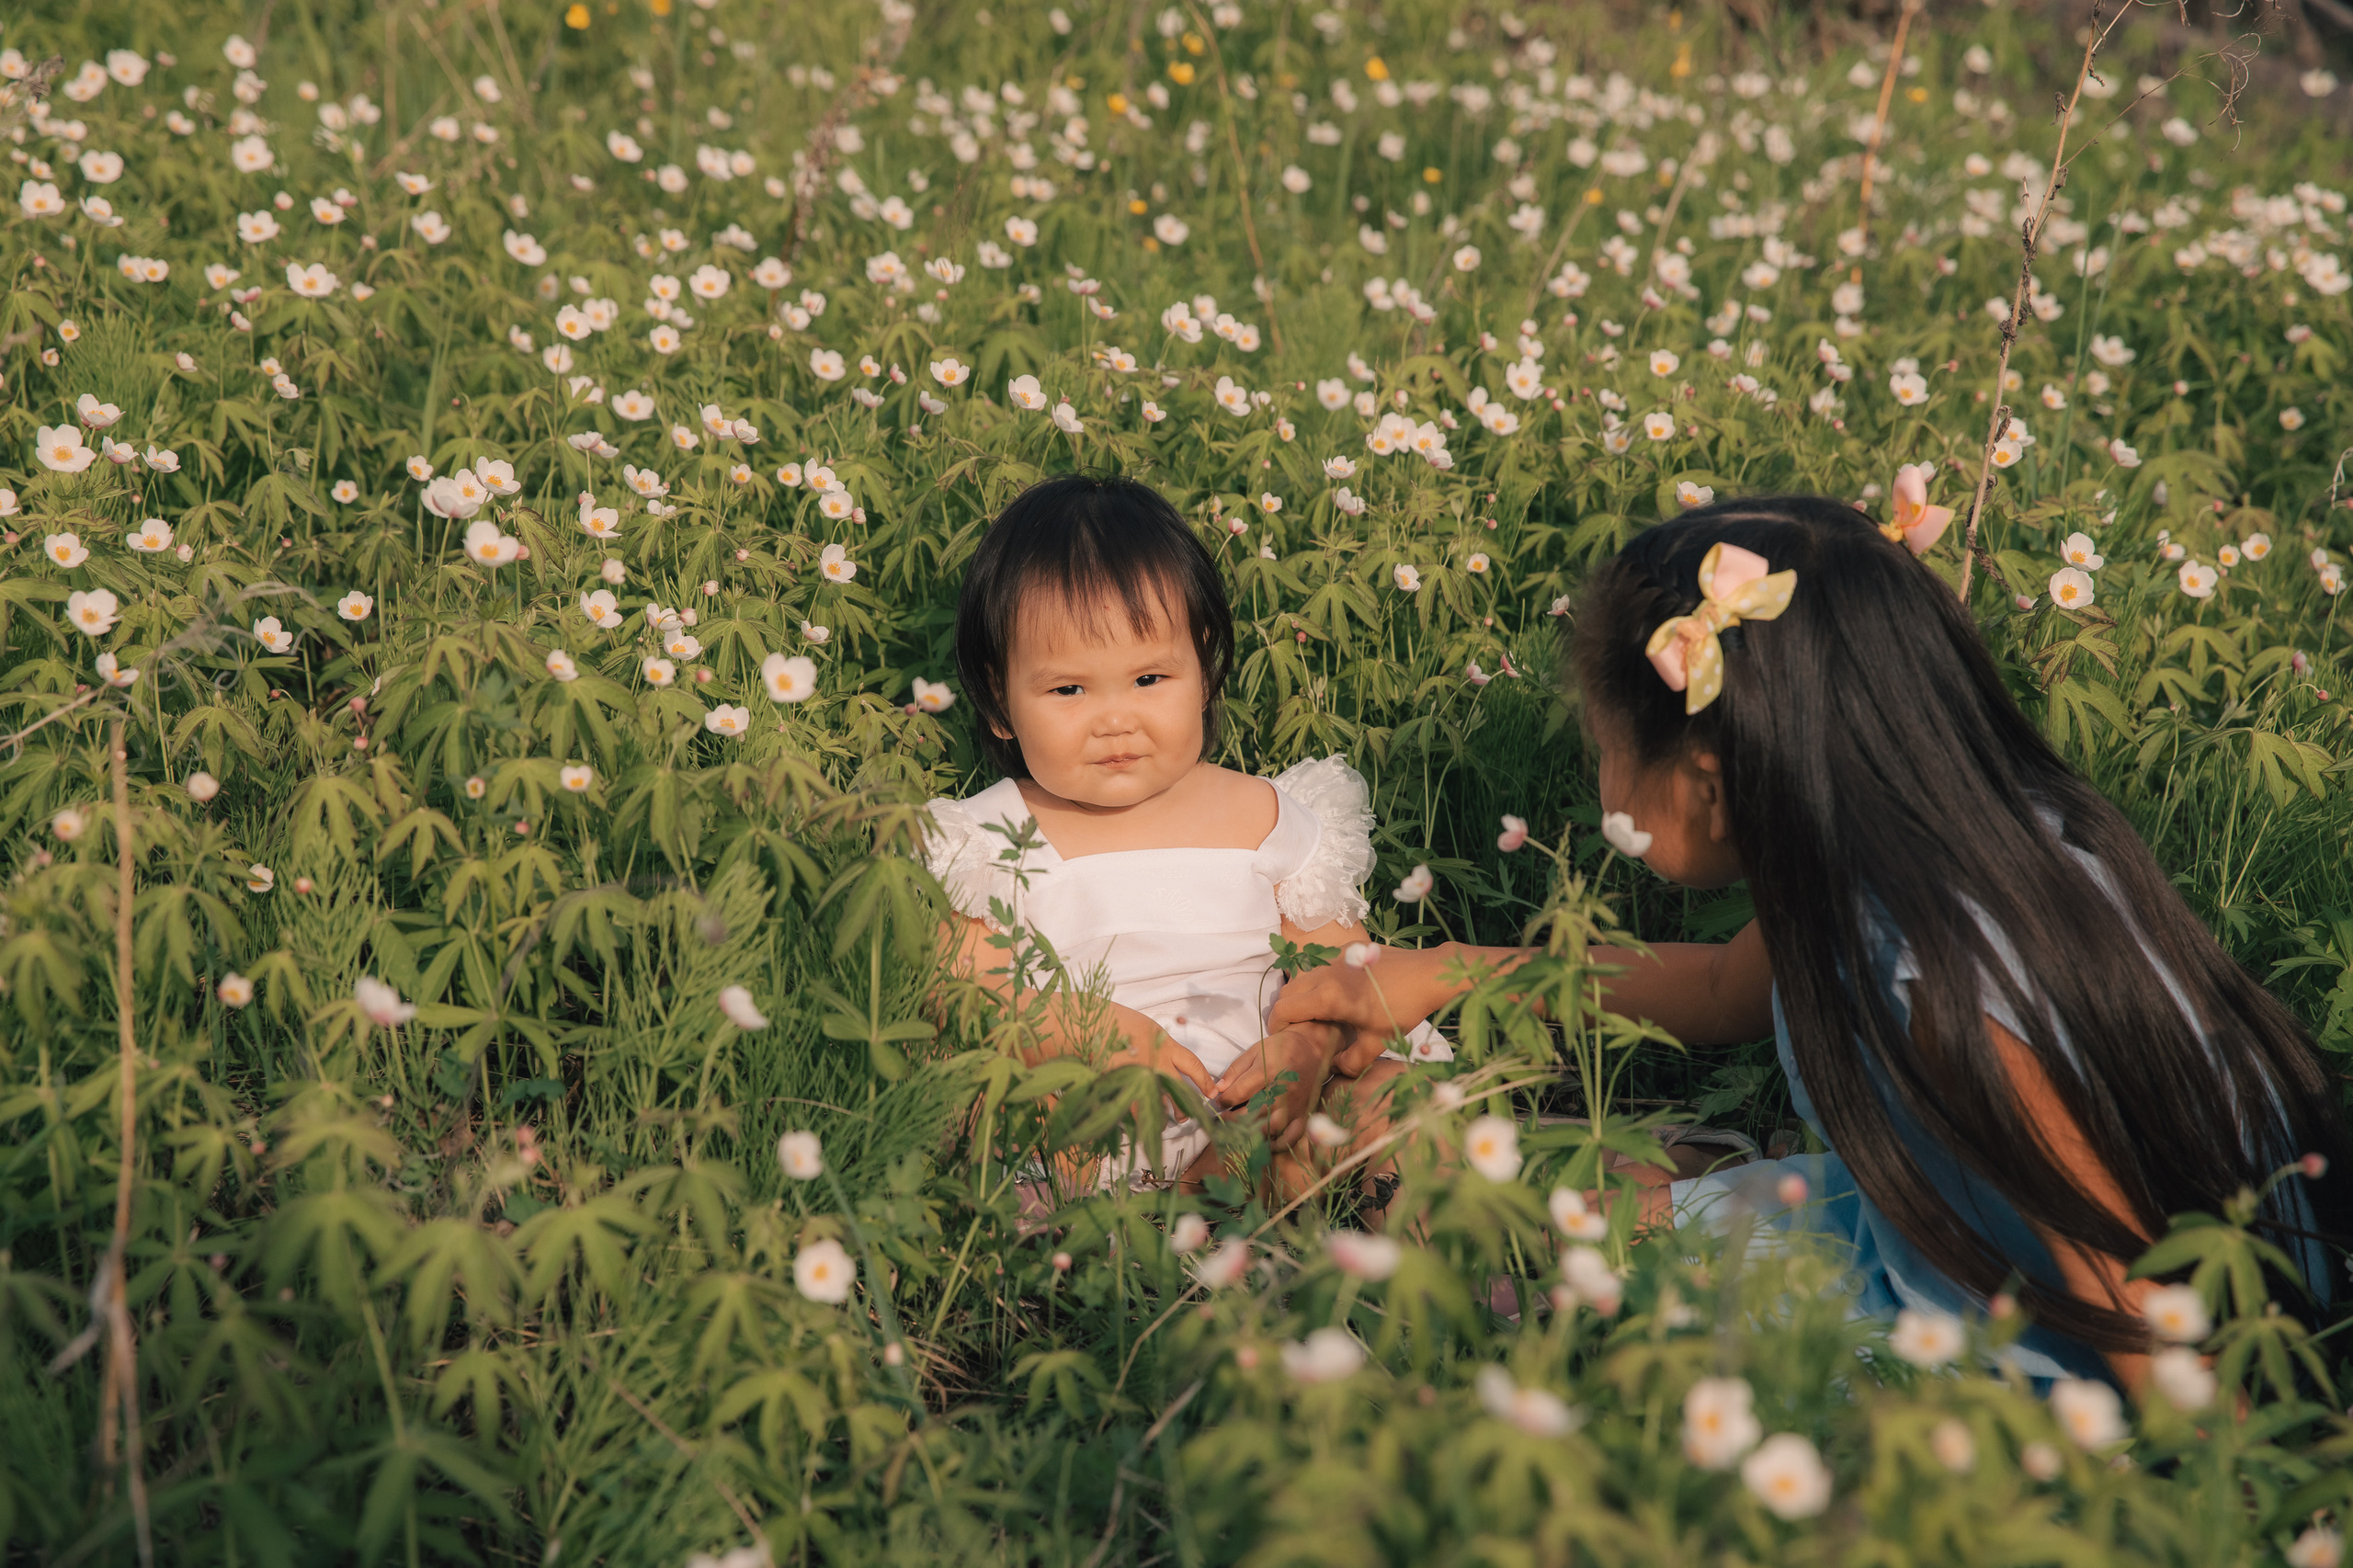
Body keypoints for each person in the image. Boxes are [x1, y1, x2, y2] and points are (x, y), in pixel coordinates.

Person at [1267, 494, 2352, 1387]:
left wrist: (2233, 1504)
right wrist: (1435, 973)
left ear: (1710, 784)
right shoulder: (1920, 858)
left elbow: (2117, 1285)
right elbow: (1717, 988)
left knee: (1529, 1282)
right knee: (1563, 1219)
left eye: (1603, 746)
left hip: (2061, 1348)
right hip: (1945, 1243)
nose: (1597, 774)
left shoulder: (1933, 984)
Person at [922, 472, 1444, 1196]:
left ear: (1203, 669)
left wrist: (1306, 1049)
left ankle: (1445, 1248)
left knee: (1389, 1095)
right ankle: (1122, 1224)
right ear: (999, 701)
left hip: (1258, 1104)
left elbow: (1340, 975)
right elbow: (962, 990)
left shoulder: (1264, 816)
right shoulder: (988, 839)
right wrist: (1086, 1028)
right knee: (992, 1102)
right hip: (1091, 1111)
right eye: (1068, 689)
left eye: (1149, 680)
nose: (1115, 720)